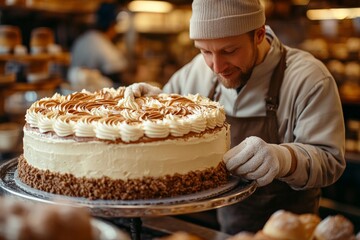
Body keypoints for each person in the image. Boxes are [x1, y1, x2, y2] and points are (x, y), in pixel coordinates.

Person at [125, 0, 346, 234]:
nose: (217, 66)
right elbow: (171, 117)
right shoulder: (198, 70)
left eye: (229, 51)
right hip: (224, 227)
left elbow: (330, 160)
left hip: (292, 233)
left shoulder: (308, 79)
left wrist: (283, 158)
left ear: (259, 35)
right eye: (205, 51)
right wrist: (158, 102)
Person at [70, 2, 128, 87]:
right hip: (94, 95)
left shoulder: (81, 39)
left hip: (72, 91)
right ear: (112, 25)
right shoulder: (102, 43)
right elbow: (118, 70)